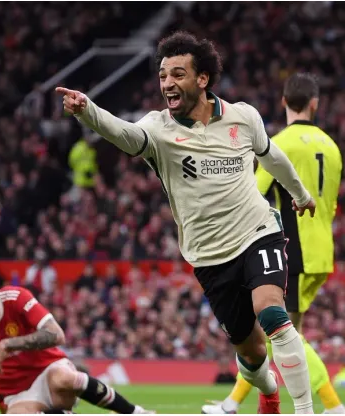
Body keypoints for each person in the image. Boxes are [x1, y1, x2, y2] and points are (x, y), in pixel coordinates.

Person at [56, 31, 316, 414]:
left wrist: (300, 194)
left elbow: (271, 156)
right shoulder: (159, 128)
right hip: (209, 255)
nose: (167, 84)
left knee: (274, 314)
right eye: (163, 76)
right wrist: (88, 111)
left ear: (203, 79)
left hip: (258, 231)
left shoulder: (243, 118)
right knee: (252, 350)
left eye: (177, 74)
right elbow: (127, 136)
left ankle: (307, 410)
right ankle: (268, 389)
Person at [202, 73, 345, 414]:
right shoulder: (333, 147)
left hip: (293, 250)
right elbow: (334, 203)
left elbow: (253, 190)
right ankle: (232, 403)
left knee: (284, 333)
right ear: (315, 103)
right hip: (323, 249)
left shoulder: (280, 144)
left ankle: (333, 406)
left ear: (284, 102)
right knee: (279, 332)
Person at [0, 281, 152, 414]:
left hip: (47, 373)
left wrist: (8, 343)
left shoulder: (16, 298)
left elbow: (56, 334)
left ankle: (135, 412)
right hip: (14, 394)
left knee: (65, 378)